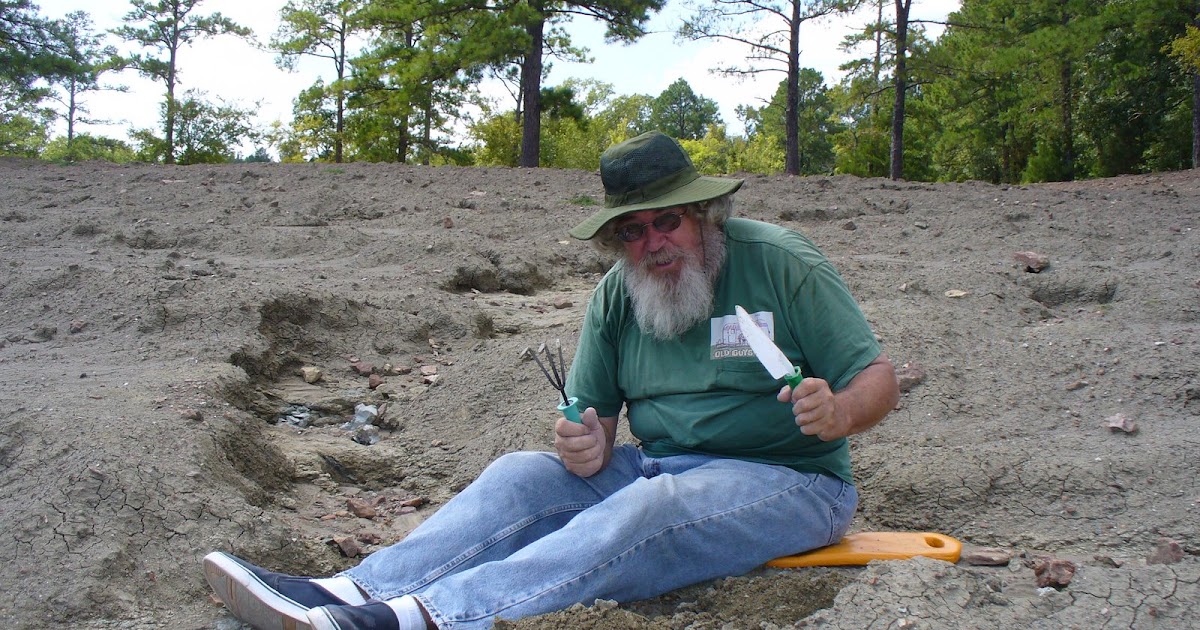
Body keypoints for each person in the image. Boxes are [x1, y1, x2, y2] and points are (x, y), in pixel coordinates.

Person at [202, 130, 900, 630]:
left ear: (704, 215)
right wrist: (583, 444)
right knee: (521, 474)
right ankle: (349, 589)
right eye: (632, 231)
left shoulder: (781, 261)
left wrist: (840, 412)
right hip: (661, 464)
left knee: (648, 507)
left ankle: (424, 617)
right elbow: (592, 426)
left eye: (667, 222)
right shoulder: (617, 295)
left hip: (794, 481)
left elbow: (878, 379)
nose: (653, 243)